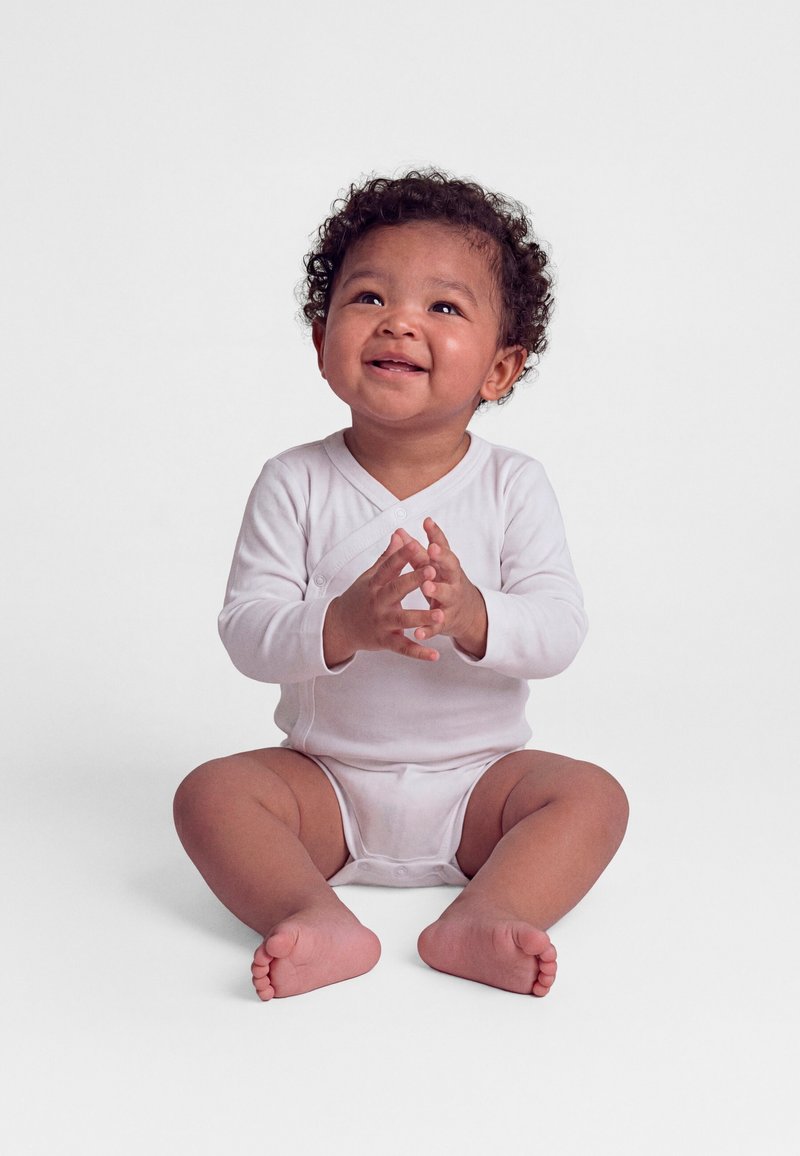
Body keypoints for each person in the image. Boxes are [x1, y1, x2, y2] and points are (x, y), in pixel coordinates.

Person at [173, 170, 629, 1001]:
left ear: (500, 368)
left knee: (591, 797)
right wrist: (341, 624)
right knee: (211, 794)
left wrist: (475, 613)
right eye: (370, 297)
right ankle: (309, 911)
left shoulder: (511, 487)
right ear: (321, 344)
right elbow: (246, 630)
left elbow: (561, 629)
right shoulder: (295, 481)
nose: (399, 322)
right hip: (325, 784)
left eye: (444, 308)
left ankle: (486, 913)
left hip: (481, 785)